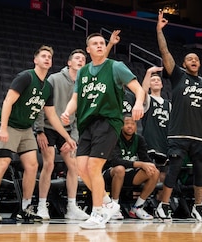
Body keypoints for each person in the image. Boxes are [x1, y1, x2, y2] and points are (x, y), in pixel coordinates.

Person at [0, 45, 77, 222]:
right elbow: (8, 101)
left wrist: (68, 137)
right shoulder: (25, 77)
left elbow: (52, 116)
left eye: (50, 57)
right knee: (3, 162)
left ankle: (25, 208)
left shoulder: (47, 87)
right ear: (35, 60)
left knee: (32, 166)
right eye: (43, 56)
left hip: (25, 129)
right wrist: (3, 128)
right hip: (9, 125)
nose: (47, 59)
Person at [61, 31, 145, 230]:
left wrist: (138, 104)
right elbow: (75, 98)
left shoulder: (116, 67)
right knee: (81, 167)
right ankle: (107, 202)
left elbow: (138, 89)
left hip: (108, 121)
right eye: (95, 44)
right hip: (86, 123)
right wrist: (66, 111)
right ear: (88, 49)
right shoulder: (83, 72)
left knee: (93, 167)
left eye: (102, 43)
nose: (99, 45)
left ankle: (98, 212)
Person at [34, 31, 121, 221]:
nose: (81, 60)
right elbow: (41, 105)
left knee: (75, 166)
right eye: (77, 58)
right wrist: (39, 130)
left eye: (83, 58)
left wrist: (72, 137)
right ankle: (42, 206)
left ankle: (72, 207)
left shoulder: (87, 80)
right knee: (48, 164)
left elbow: (80, 115)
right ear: (69, 63)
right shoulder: (55, 79)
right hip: (49, 127)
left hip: (68, 130)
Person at [154, 10, 202, 222]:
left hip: (198, 137)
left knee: (200, 172)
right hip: (178, 133)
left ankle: (198, 206)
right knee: (174, 169)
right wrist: (160, 30)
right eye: (190, 58)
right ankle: (163, 205)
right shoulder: (178, 76)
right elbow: (165, 52)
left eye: (196, 58)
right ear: (184, 63)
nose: (193, 60)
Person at [103, 114, 159, 220]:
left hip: (129, 174)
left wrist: (149, 165)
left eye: (132, 124)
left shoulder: (139, 139)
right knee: (120, 169)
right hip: (111, 173)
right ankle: (114, 207)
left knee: (154, 171)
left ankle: (137, 207)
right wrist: (140, 164)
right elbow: (115, 161)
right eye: (127, 123)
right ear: (121, 126)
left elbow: (145, 159)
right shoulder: (114, 137)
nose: (130, 126)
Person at [141, 66, 171, 180]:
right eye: (153, 80)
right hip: (150, 141)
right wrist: (149, 72)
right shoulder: (148, 100)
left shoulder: (169, 104)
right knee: (151, 172)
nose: (156, 81)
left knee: (163, 173)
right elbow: (143, 91)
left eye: (158, 80)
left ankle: (161, 197)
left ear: (162, 85)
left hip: (164, 141)